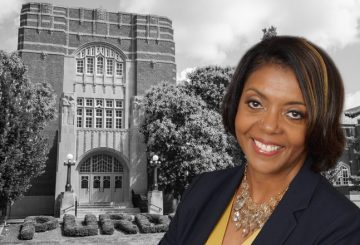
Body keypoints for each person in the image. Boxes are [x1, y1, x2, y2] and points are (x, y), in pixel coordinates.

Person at [159, 36, 360, 245]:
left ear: (319, 125)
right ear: (236, 104)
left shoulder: (343, 228)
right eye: (255, 103)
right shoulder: (203, 189)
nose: (269, 126)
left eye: (293, 113)